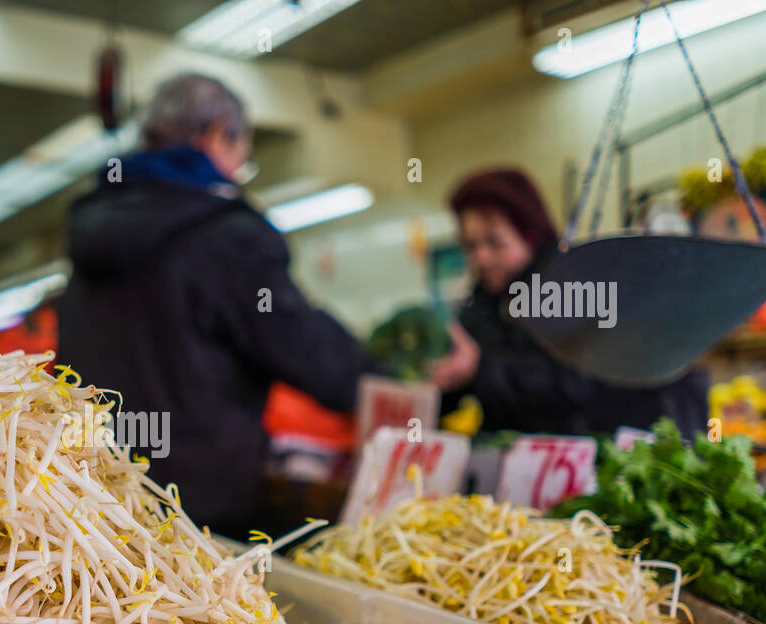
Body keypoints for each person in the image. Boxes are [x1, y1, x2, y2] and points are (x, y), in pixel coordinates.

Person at [57, 73, 370, 540]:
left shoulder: (94, 230)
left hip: (92, 507)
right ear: (216, 134)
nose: (242, 167)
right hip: (197, 521)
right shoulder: (224, 235)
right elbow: (308, 350)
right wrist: (387, 381)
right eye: (243, 149)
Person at [430, 168, 708, 438]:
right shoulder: (482, 303)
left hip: (581, 457)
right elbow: (461, 382)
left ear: (529, 234)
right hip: (516, 466)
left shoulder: (571, 286)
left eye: (494, 243)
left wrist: (481, 369)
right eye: (471, 245)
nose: (482, 258)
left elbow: (576, 384)